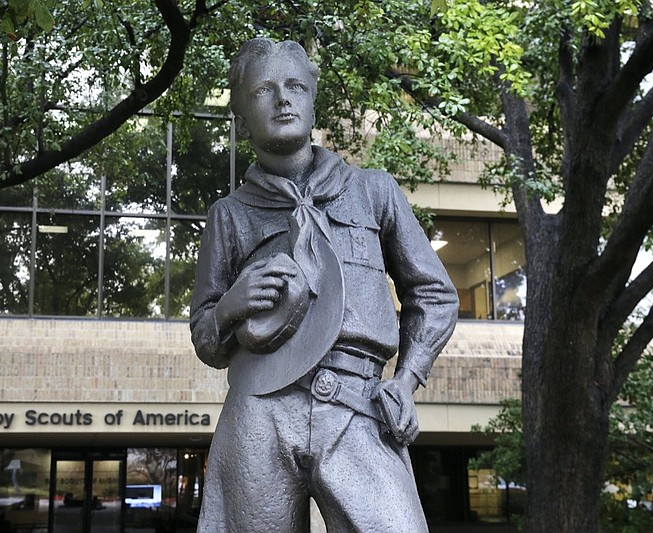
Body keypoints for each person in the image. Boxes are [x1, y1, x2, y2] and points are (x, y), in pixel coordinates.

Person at [190, 37, 458, 532]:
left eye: (294, 86)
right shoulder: (228, 217)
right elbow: (205, 337)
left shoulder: (373, 191)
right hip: (258, 410)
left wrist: (407, 379)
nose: (282, 99)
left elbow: (435, 294)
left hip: (358, 403)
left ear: (313, 101)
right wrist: (229, 308)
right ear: (242, 115)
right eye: (263, 90)